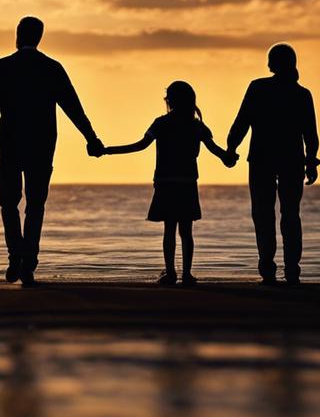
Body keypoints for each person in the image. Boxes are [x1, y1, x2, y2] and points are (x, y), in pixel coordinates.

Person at [0, 16, 104, 287]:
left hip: (10, 145)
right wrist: (91, 138)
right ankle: (28, 261)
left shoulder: (3, 67)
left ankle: (15, 254)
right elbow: (74, 108)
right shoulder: (52, 68)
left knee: (8, 204)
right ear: (40, 37)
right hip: (42, 147)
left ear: (18, 34)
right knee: (35, 204)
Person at [99, 81, 236, 286]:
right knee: (186, 232)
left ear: (169, 101)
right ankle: (187, 275)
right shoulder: (197, 126)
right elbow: (216, 150)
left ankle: (170, 273)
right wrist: (229, 158)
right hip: (188, 183)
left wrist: (108, 150)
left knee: (169, 230)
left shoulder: (161, 124)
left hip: (166, 182)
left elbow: (140, 145)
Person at [226, 44, 320, 286]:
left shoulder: (258, 88)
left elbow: (242, 121)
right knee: (290, 214)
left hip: (261, 158)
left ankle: (267, 269)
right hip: (292, 160)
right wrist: (311, 161)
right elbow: (311, 134)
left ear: (272, 63)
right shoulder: (301, 94)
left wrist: (231, 147)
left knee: (263, 213)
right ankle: (292, 270)